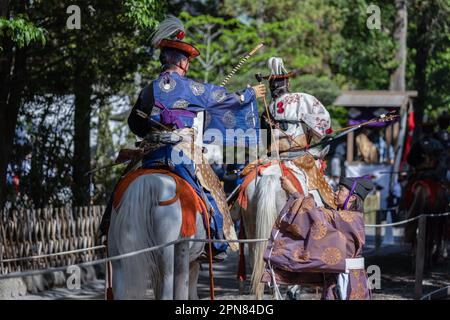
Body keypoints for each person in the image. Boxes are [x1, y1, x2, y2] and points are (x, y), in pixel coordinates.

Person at [100, 16, 266, 259]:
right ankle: (215, 243)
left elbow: (134, 122)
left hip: (151, 155)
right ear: (181, 62)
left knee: (122, 185)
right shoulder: (192, 89)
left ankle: (107, 227)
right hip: (181, 155)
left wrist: (151, 134)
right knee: (211, 192)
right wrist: (249, 94)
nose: (187, 64)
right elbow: (225, 99)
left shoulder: (149, 89)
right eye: (187, 60)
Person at [261, 175, 374, 300]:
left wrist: (294, 192)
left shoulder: (351, 218)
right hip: (339, 276)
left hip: (349, 279)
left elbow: (315, 215)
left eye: (340, 190)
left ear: (352, 197)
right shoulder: (342, 216)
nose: (336, 193)